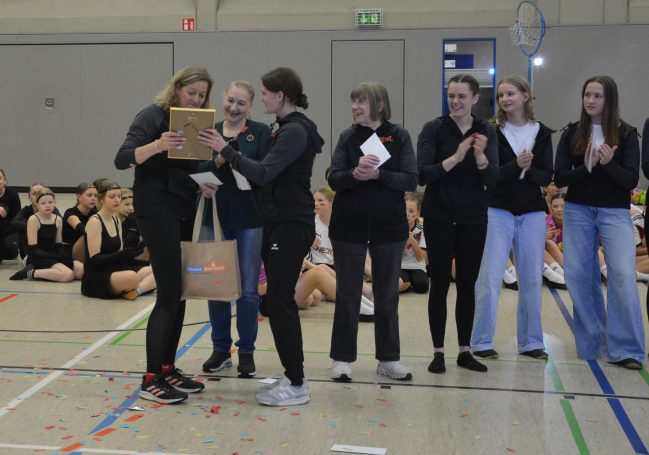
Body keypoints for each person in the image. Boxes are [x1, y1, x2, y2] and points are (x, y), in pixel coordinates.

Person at [202, 67, 323, 406]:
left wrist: (227, 151)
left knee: (280, 303)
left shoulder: (295, 130)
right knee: (278, 303)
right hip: (277, 221)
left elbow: (265, 173)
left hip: (290, 223)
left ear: (280, 95)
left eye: (266, 93)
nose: (264, 98)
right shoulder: (285, 128)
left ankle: (297, 383)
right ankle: (292, 376)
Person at [115, 66, 217, 404]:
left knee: (180, 292)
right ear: (177, 89)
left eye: (202, 95)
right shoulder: (153, 115)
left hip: (183, 208)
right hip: (156, 208)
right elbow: (122, 158)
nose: (197, 99)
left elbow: (191, 167)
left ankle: (167, 367)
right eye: (192, 93)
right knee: (168, 293)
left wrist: (204, 182)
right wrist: (158, 145)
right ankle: (150, 378)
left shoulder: (197, 124)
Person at [327, 81, 418, 383]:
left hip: (389, 228)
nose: (355, 107)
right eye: (353, 101)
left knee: (387, 296)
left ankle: (389, 359)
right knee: (347, 295)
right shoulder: (347, 137)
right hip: (348, 227)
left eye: (361, 101)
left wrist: (379, 174)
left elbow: (410, 179)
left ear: (379, 105)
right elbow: (334, 178)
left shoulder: (399, 136)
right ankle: (342, 359)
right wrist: (355, 173)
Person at [554, 75, 645, 369]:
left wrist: (608, 164)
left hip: (614, 212)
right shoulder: (572, 132)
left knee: (622, 275)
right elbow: (560, 176)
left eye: (597, 96)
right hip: (577, 210)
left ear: (610, 99)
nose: (590, 100)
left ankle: (627, 348)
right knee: (580, 275)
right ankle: (592, 341)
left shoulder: (626, 134)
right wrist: (587, 166)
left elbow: (630, 179)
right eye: (587, 95)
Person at [417, 73, 499, 374]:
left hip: (473, 217)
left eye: (462, 96)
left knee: (467, 284)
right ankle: (438, 352)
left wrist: (479, 156)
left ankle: (465, 351)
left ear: (475, 98)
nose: (455, 101)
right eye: (451, 95)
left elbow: (493, 179)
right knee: (439, 283)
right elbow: (422, 174)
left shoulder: (486, 131)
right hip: (439, 215)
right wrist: (456, 156)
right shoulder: (434, 128)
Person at [471, 75, 554, 362]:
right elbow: (491, 176)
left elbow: (546, 176)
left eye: (510, 93)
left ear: (525, 96)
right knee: (490, 278)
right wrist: (515, 165)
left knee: (531, 279)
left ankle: (531, 341)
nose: (505, 99)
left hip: (532, 213)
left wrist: (528, 170)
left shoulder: (542, 133)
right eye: (501, 95)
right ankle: (481, 341)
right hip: (498, 211)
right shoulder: (492, 131)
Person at [200, 81, 271, 379]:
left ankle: (246, 351)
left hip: (249, 219)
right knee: (216, 286)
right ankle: (220, 349)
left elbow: (262, 172)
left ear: (250, 107)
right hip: (214, 218)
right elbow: (196, 167)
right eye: (230, 100)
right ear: (223, 99)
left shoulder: (261, 132)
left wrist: (227, 153)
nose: (234, 107)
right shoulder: (209, 130)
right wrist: (203, 180)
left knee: (248, 290)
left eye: (241, 103)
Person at [82, 180, 156, 300]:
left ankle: (136, 291)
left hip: (115, 269)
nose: (117, 200)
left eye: (119, 196)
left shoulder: (116, 220)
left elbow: (120, 255)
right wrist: (122, 254)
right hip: (96, 276)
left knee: (158, 269)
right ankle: (137, 286)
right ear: (101, 199)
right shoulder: (95, 222)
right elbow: (94, 260)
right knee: (132, 277)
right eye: (112, 197)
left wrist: (134, 251)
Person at [10, 188, 82, 282]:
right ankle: (31, 272)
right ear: (37, 205)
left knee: (81, 270)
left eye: (50, 202)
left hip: (52, 254)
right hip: (37, 256)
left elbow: (58, 245)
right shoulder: (33, 219)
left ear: (55, 202)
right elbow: (33, 249)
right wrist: (53, 257)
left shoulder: (58, 219)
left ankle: (53, 271)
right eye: (43, 203)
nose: (47, 205)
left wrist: (65, 257)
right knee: (68, 275)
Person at [399, 193, 429, 294]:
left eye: (411, 211)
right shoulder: (397, 227)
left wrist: (412, 240)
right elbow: (394, 255)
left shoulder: (422, 228)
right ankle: (406, 284)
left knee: (422, 286)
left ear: (417, 213)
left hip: (417, 266)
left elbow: (421, 257)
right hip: (401, 266)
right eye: (404, 210)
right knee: (398, 283)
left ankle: (409, 284)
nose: (407, 214)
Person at [62, 181, 98, 263]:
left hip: (88, 250)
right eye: (89, 195)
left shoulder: (95, 213)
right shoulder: (70, 212)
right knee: (87, 234)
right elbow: (81, 229)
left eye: (95, 196)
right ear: (78, 197)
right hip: (68, 251)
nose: (93, 198)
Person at [0, 169, 20, 263]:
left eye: (0, 178)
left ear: (5, 181)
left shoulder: (13, 195)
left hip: (8, 230)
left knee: (11, 251)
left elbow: (16, 220)